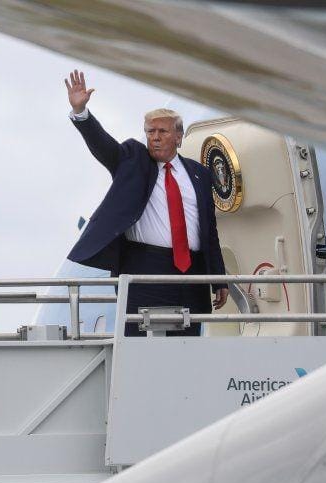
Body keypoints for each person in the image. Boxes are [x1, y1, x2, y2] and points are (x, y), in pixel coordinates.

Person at [63, 69, 228, 336]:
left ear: (178, 137)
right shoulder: (133, 160)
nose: (155, 137)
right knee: (141, 346)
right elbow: (104, 146)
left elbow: (209, 231)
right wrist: (81, 113)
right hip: (145, 269)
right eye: (150, 131)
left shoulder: (199, 174)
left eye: (162, 131)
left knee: (188, 346)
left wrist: (219, 278)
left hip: (192, 273)